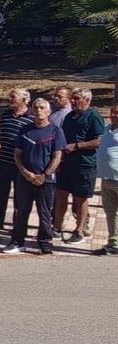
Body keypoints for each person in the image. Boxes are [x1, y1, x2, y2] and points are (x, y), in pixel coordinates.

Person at [6, 98, 65, 255]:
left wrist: (44, 175)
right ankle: (17, 242)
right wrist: (25, 172)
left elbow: (57, 157)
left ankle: (44, 243)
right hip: (25, 179)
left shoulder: (56, 131)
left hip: (46, 181)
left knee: (45, 213)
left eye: (42, 108)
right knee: (21, 211)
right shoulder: (25, 130)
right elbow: (17, 154)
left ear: (48, 111)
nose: (38, 110)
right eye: (36, 107)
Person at [54, 87, 105, 244]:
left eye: (77, 99)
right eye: (73, 98)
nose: (73, 101)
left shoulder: (93, 116)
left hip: (84, 164)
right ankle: (56, 227)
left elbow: (99, 141)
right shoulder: (69, 116)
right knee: (61, 194)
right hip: (66, 164)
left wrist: (77, 146)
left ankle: (79, 230)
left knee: (81, 198)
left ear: (87, 100)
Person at [0, 89, 34, 231]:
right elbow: (0, 134)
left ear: (25, 100)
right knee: (0, 192)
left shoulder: (32, 117)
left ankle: (17, 224)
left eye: (13, 97)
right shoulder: (6, 114)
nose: (10, 99)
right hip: (3, 161)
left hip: (20, 164)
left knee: (20, 196)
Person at [94, 104, 118, 256]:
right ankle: (113, 243)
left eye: (117, 113)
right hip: (106, 179)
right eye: (112, 112)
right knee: (111, 213)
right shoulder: (107, 129)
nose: (114, 115)